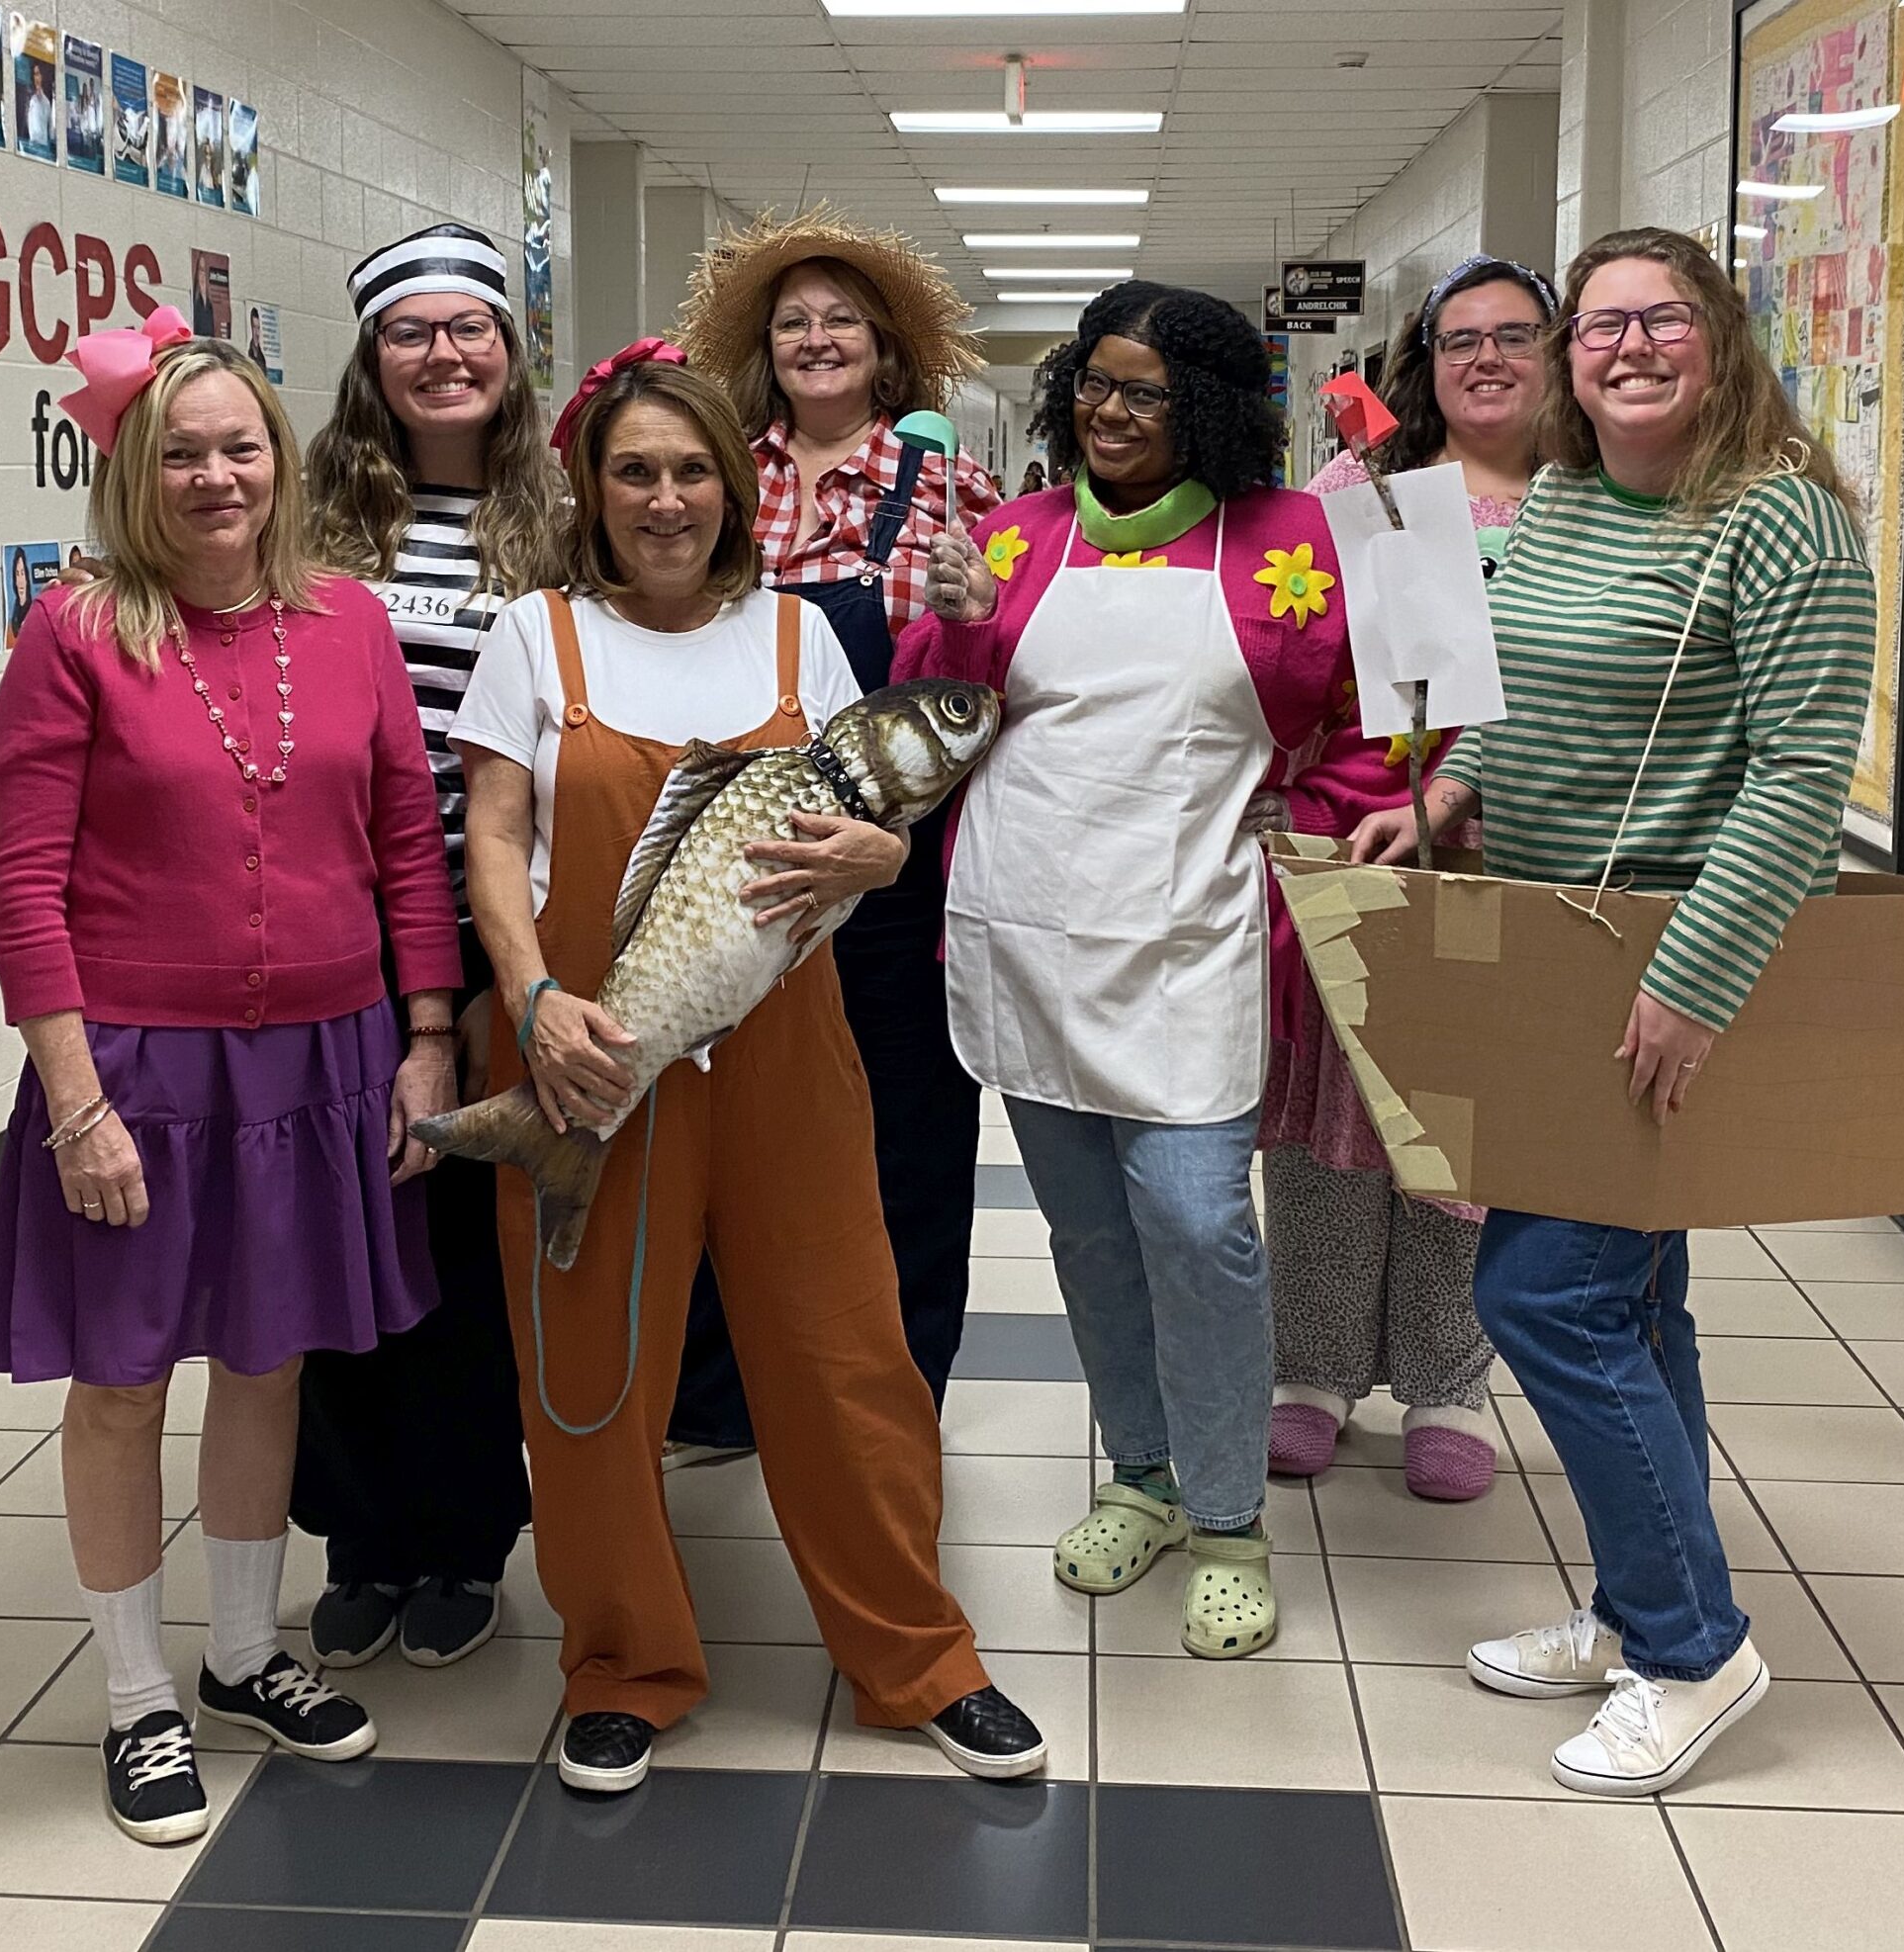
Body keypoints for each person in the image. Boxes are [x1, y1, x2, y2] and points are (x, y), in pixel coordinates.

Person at [449, 344, 1044, 1796]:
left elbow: (861, 827)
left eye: (693, 471)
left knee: (850, 1356)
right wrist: (529, 1003)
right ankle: (624, 1660)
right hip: (589, 1046)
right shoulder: (538, 635)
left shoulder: (796, 640)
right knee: (591, 1375)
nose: (666, 500)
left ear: (737, 486)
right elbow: (490, 836)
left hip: (788, 1054)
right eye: (636, 472)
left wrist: (887, 853)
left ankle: (918, 1651)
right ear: (594, 488)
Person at [1349, 226, 1874, 1795]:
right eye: (1602, 326)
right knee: (1638, 1302)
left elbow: (1798, 777)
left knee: (1543, 1299)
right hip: (1553, 939)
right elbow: (1526, 697)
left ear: (1721, 339)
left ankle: (1695, 1648)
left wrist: (1692, 986)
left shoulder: (1784, 522)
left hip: (1669, 958)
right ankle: (1642, 1604)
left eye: (1662, 321)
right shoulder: (1570, 498)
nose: (1626, 348)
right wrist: (1445, 791)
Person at [0, 308, 464, 1846]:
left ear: (281, 458)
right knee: (121, 1383)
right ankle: (136, 1700)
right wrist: (73, 1096)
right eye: (179, 451)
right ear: (135, 466)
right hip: (132, 1061)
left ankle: (248, 1653)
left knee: (271, 1360)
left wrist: (428, 1036)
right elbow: (23, 885)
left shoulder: (350, 625)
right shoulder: (79, 632)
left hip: (324, 1053)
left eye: (239, 446)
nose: (213, 475)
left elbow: (406, 842)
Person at [900, 282, 1355, 1658]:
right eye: (1093, 382)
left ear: (1207, 404)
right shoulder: (1017, 537)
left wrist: (1323, 819)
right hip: (1029, 936)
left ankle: (1228, 1516)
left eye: (1145, 389)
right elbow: (932, 718)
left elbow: (1374, 718)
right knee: (1090, 1236)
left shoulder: (1293, 542)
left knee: (1198, 1226)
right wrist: (968, 620)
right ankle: (1145, 1476)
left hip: (1191, 938)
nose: (1109, 409)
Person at [667, 209, 1000, 1467]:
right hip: (741, 857)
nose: (816, 339)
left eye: (840, 321)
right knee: (728, 1123)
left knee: (910, 1139)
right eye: (794, 321)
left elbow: (989, 680)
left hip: (896, 872)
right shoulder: (716, 474)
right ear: (768, 347)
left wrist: (979, 616)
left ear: (883, 352)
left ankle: (899, 1393)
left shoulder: (953, 491)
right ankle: (716, 1399)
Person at [285, 223, 562, 1671]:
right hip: (327, 934)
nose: (445, 355)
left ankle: (461, 1535)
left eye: (474, 331)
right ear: (373, 359)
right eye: (413, 333)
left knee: (457, 1247)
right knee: (338, 1236)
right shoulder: (308, 529)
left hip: (495, 925)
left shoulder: (564, 526)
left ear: (513, 360)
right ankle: (357, 1532)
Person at [1264, 254, 1558, 1503]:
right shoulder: (1365, 491)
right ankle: (1312, 1369)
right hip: (1367, 829)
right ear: (1424, 363)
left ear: (1555, 353)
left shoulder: (1600, 499)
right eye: (1458, 341)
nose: (1485, 359)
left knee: (1468, 1120)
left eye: (1513, 336)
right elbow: (1291, 648)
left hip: (1526, 849)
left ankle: (1448, 1379)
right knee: (1336, 1101)